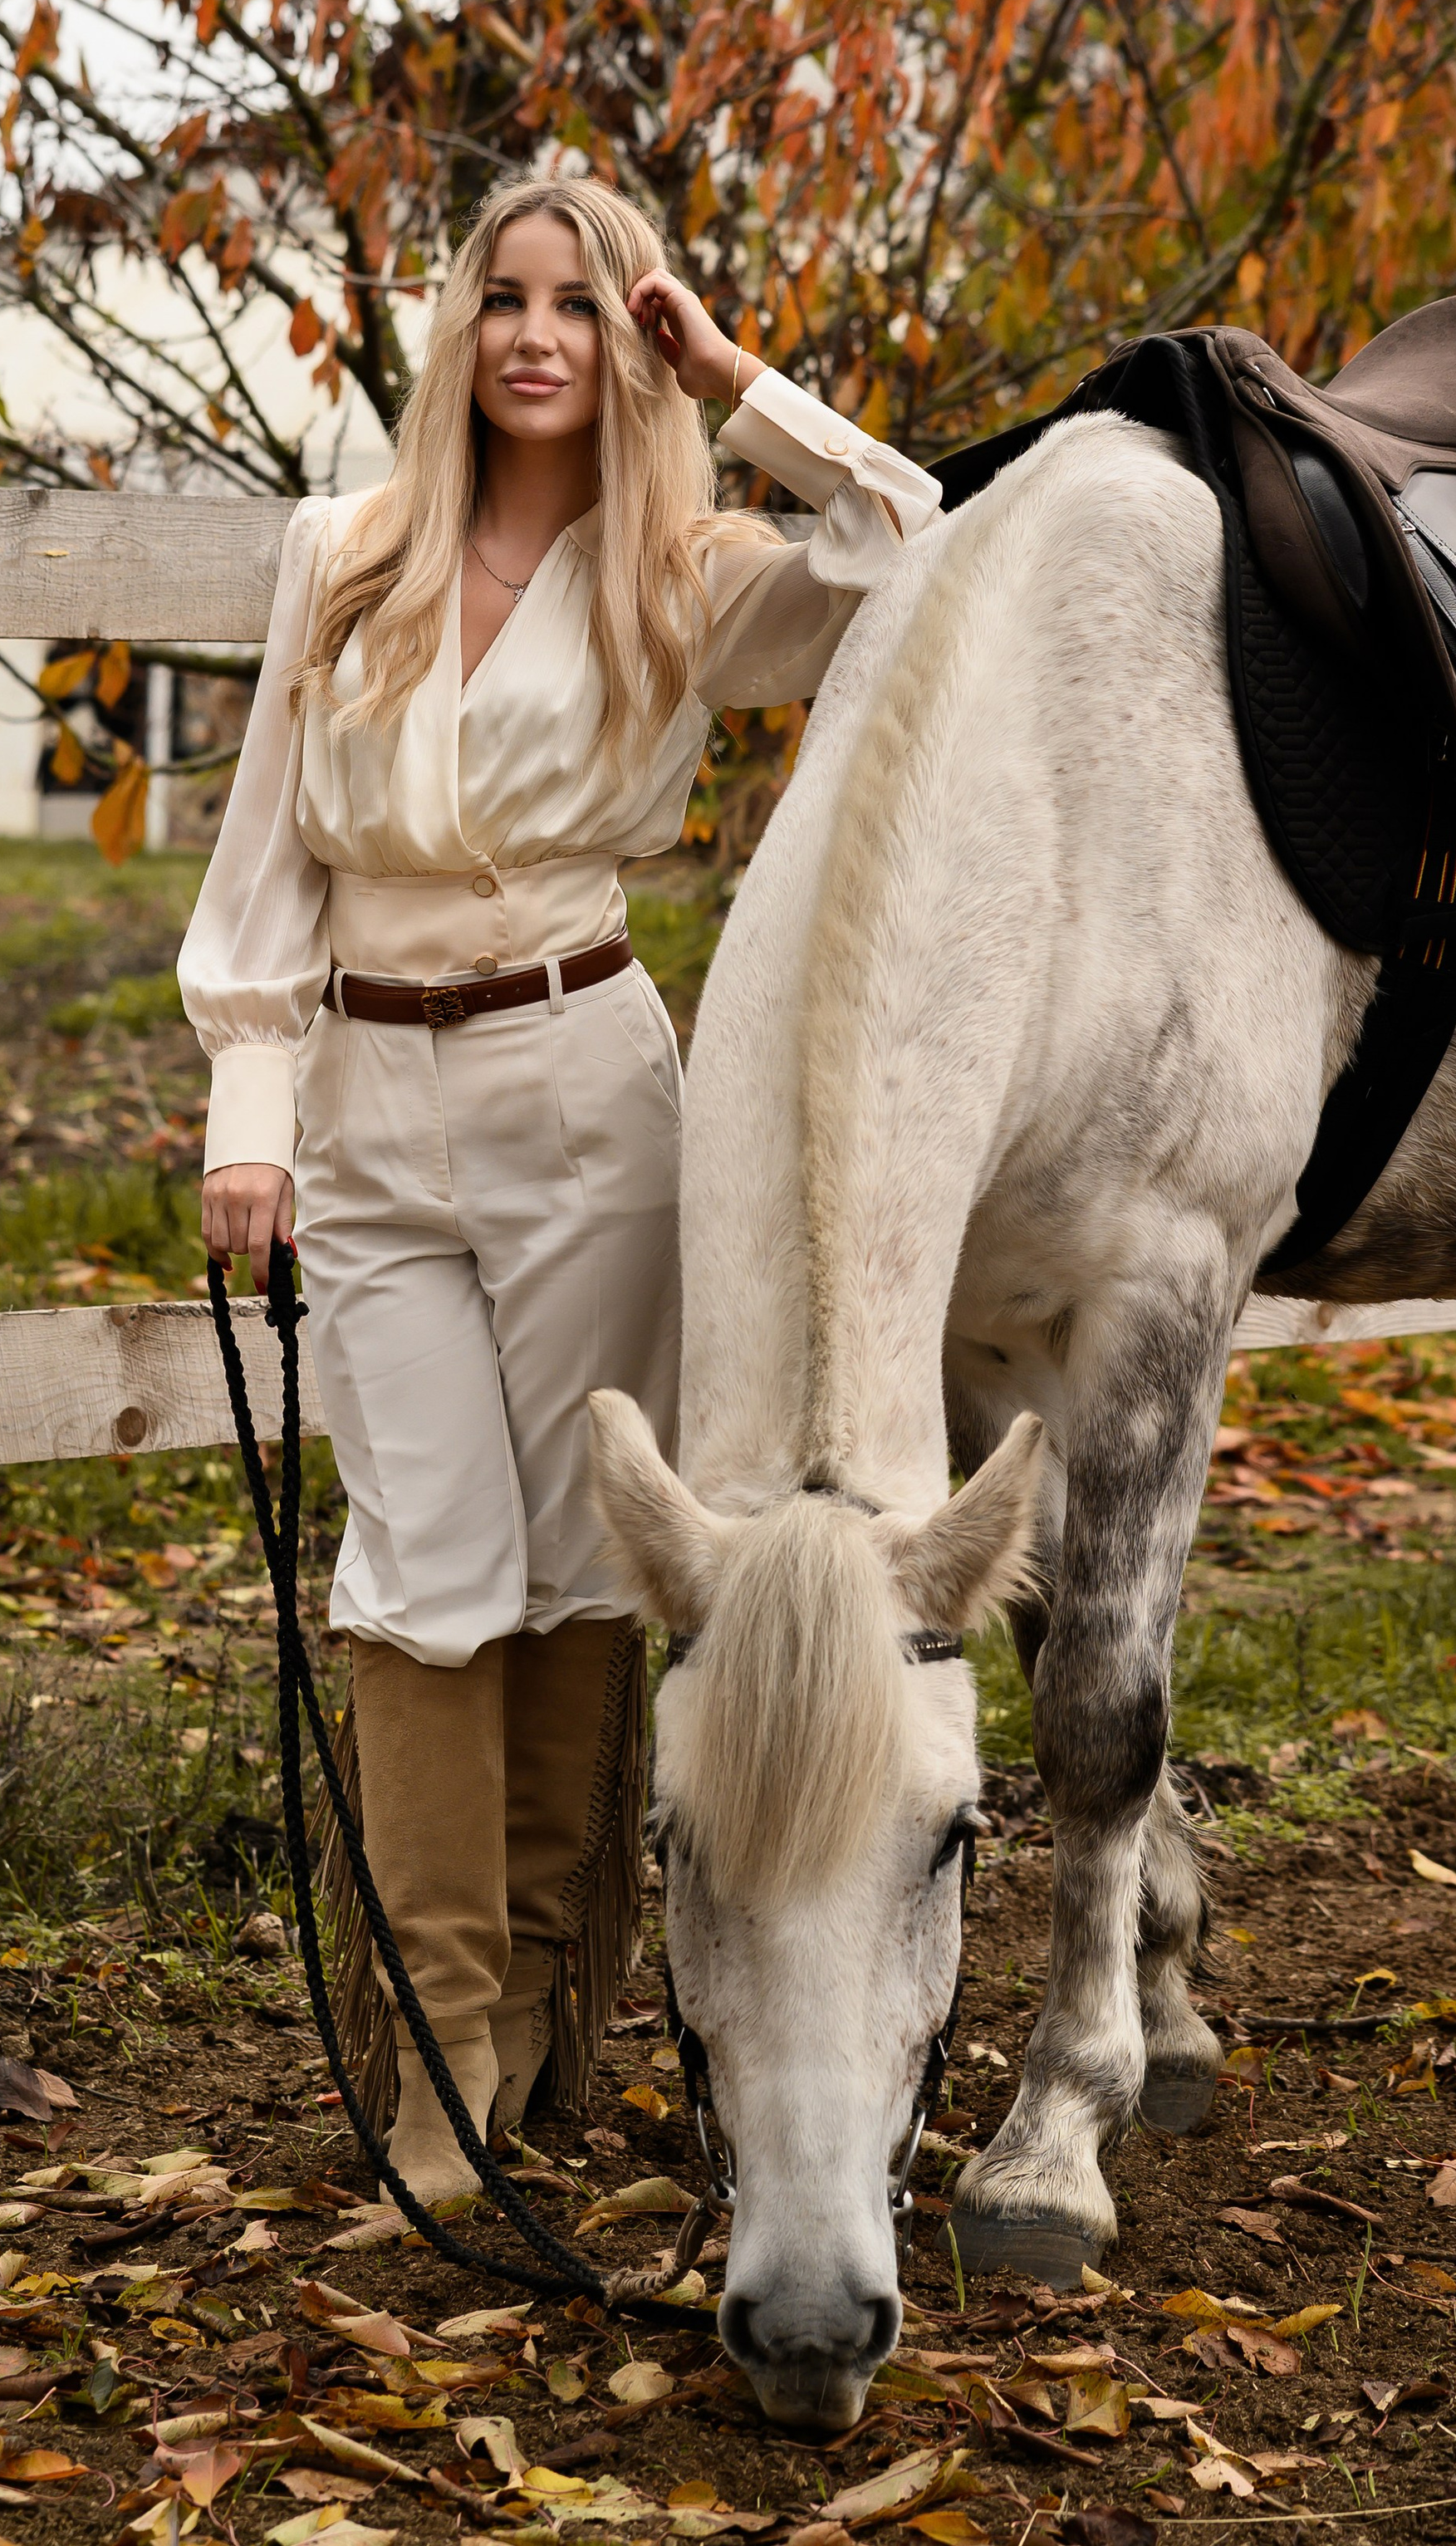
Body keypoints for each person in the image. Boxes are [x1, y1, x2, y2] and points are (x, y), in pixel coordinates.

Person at [178, 171, 942, 2200]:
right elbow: (270, 839)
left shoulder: (684, 573)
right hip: (364, 1090)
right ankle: (435, 2045)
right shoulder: (343, 551)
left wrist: (736, 379)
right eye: (505, 297)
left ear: (631, 339)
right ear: (459, 326)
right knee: (416, 1558)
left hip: (583, 1082)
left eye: (583, 304)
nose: (536, 334)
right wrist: (250, 1100)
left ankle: (528, 2017)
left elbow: (906, 540)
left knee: (581, 1555)